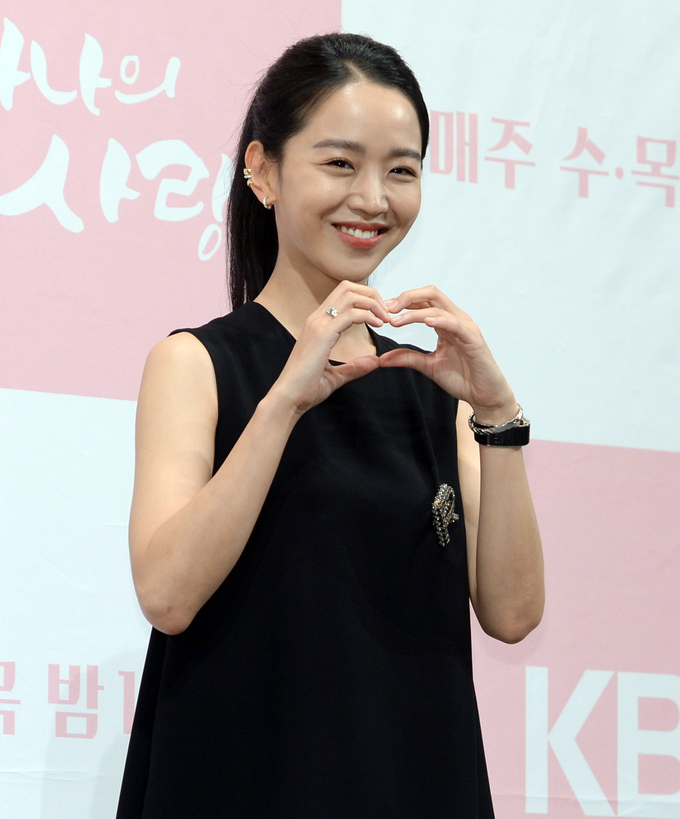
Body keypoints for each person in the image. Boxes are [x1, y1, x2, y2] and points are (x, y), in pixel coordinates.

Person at [116, 32, 544, 818]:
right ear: (263, 171)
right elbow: (168, 595)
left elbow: (513, 614)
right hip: (246, 781)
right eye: (341, 163)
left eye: (402, 170)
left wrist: (496, 415)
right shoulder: (196, 364)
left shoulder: (432, 390)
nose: (374, 198)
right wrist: (284, 400)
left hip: (412, 779)